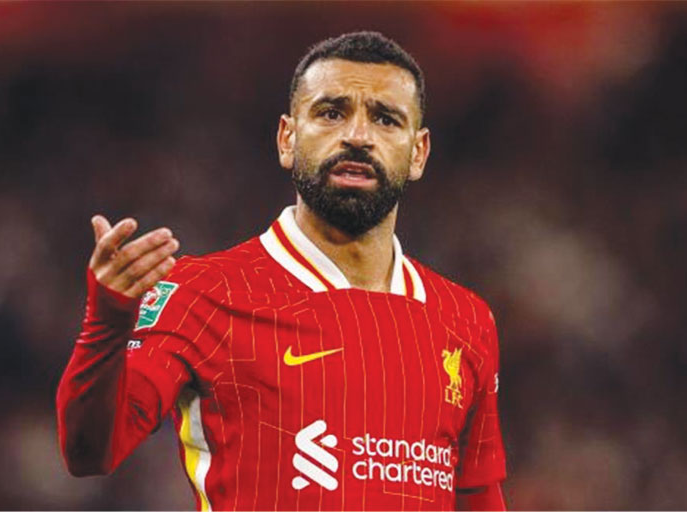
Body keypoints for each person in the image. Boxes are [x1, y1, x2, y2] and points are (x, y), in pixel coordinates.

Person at [57, 31, 507, 511]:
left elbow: (479, 497)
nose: (358, 136)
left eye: (385, 118)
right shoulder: (200, 293)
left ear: (418, 152)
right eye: (331, 113)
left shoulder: (465, 319)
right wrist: (107, 322)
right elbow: (90, 452)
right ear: (287, 139)